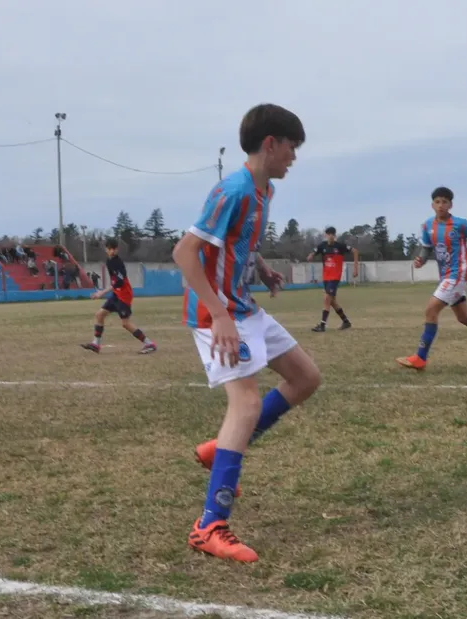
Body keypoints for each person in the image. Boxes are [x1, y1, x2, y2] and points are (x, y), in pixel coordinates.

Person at [171, 103, 321, 563]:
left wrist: (262, 267)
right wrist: (219, 316)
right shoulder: (232, 190)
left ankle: (222, 449)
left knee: (306, 378)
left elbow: (239, 243)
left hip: (243, 307)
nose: (294, 157)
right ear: (270, 144)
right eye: (292, 147)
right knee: (247, 404)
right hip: (216, 315)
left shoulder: (264, 190)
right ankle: (209, 526)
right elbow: (185, 253)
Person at [395, 186, 467, 371]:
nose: (441, 205)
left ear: (450, 205)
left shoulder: (460, 224)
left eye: (444, 202)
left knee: (431, 310)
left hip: (457, 275)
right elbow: (427, 248)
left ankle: (420, 358)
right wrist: (421, 260)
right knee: (464, 317)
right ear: (432, 205)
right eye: (437, 202)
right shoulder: (428, 226)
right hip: (446, 276)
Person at [81, 238, 157, 354]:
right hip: (117, 294)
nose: (112, 251)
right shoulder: (109, 261)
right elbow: (115, 282)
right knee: (100, 315)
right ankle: (96, 344)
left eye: (114, 249)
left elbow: (119, 282)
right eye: (110, 249)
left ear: (117, 249)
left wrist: (102, 292)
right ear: (106, 249)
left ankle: (149, 343)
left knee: (126, 323)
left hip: (124, 296)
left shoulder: (117, 262)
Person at [306, 226, 359, 332]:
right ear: (326, 235)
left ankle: (322, 325)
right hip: (326, 277)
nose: (330, 236)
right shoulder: (322, 246)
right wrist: (310, 256)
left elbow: (355, 251)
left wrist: (355, 268)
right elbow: (314, 252)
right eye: (328, 234)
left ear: (335, 235)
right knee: (332, 301)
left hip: (335, 277)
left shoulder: (340, 246)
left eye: (332, 234)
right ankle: (346, 321)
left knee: (327, 298)